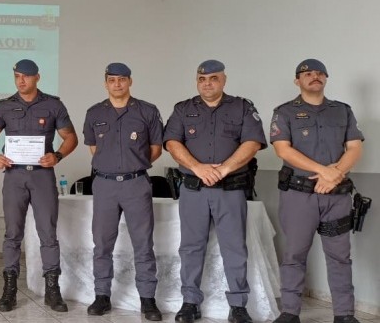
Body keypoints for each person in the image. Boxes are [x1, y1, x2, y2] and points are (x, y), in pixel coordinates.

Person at [163, 60, 265, 323]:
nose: (207, 83)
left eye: (213, 78)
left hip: (230, 189)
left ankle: (238, 305)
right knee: (191, 248)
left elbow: (252, 142)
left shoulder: (242, 107)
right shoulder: (183, 109)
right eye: (201, 78)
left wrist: (224, 169)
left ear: (224, 80)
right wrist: (197, 167)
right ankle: (190, 302)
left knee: (235, 248)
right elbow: (172, 142)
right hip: (194, 189)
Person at [269, 59, 364, 323]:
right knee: (295, 254)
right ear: (297, 80)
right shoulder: (285, 112)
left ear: (326, 78)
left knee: (340, 256)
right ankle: (289, 312)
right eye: (307, 73)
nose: (314, 76)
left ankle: (344, 314)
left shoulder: (342, 111)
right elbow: (283, 149)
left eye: (320, 73)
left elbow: (354, 148)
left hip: (336, 196)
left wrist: (334, 176)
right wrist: (324, 171)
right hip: (299, 196)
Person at [0, 59, 78, 313]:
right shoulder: (5, 106)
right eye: (17, 76)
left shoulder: (53, 105)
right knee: (12, 233)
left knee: (48, 232)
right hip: (14, 176)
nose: (20, 80)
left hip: (42, 176)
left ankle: (52, 290)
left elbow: (71, 137)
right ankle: (10, 289)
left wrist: (56, 156)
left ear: (37, 77)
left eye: (25, 76)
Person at [82, 63, 163, 320]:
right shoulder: (94, 113)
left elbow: (155, 149)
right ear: (105, 83)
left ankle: (148, 300)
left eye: (122, 79)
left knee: (143, 244)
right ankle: (102, 296)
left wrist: (131, 166)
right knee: (102, 244)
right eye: (112, 80)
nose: (117, 84)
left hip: (135, 183)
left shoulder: (147, 111)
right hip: (104, 184)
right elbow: (94, 148)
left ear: (130, 81)